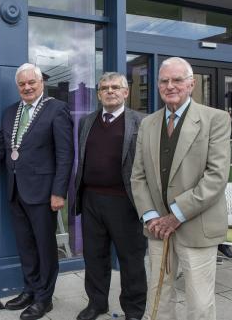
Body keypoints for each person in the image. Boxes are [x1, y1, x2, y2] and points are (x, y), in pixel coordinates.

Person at [0, 63, 74, 320]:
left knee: (45, 248)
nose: (27, 87)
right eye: (22, 84)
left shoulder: (56, 110)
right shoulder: (10, 112)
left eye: (31, 83)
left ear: (41, 83)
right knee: (26, 246)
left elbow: (65, 154)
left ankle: (44, 299)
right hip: (16, 191)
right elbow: (0, 148)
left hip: (44, 193)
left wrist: (59, 192)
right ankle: (31, 289)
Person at [131, 57, 231, 320]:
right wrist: (151, 215)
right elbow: (137, 176)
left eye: (177, 80)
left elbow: (216, 177)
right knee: (159, 298)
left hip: (196, 225)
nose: (170, 85)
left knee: (199, 304)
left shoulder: (216, 119)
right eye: (164, 81)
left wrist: (176, 214)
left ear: (191, 84)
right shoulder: (148, 123)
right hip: (157, 228)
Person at [74, 72, 146, 320]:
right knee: (94, 256)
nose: (110, 91)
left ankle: (134, 310)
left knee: (131, 259)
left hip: (126, 201)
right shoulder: (86, 121)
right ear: (98, 94)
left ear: (126, 92)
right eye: (104, 88)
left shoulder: (141, 122)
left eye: (116, 87)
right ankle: (97, 303)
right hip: (91, 199)